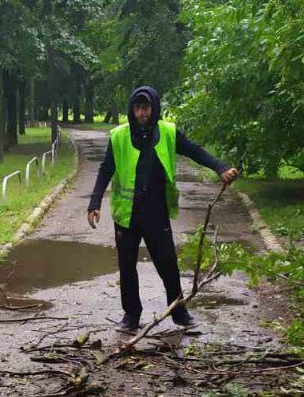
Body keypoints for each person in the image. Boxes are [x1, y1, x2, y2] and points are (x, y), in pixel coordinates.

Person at [86, 86, 240, 333]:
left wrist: (220, 167)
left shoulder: (168, 132)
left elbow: (194, 150)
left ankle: (179, 312)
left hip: (156, 212)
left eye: (145, 108)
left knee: (167, 263)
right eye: (137, 108)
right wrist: (94, 203)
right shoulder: (119, 136)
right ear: (131, 110)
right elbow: (106, 169)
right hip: (127, 213)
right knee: (127, 266)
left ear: (154, 108)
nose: (141, 113)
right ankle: (131, 316)